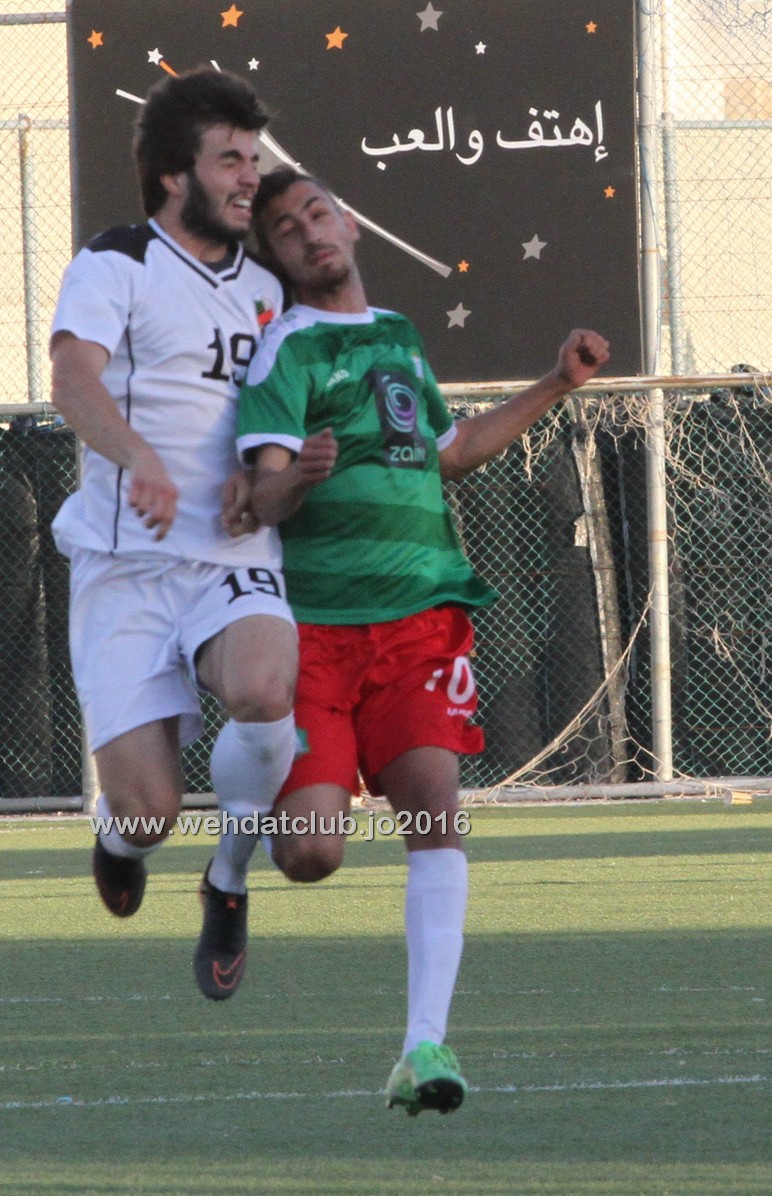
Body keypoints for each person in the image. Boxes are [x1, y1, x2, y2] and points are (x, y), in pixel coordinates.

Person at [236, 166, 610, 1113]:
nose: (309, 232)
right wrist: (300, 477)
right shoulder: (284, 350)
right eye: (287, 229)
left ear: (350, 224)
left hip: (418, 624)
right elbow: (259, 499)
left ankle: (423, 1046)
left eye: (317, 214)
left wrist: (556, 384)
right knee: (310, 855)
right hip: (314, 635)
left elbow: (451, 453)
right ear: (275, 256)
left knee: (437, 812)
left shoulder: (399, 335)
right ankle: (240, 826)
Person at [49, 69, 299, 1002]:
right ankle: (120, 840)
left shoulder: (270, 287)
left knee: (264, 687)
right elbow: (73, 382)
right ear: (172, 175)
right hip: (124, 568)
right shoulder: (116, 262)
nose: (249, 177)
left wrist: (265, 479)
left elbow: (288, 410)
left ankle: (228, 880)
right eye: (229, 159)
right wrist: (140, 458)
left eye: (252, 158)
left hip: (232, 556)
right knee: (150, 813)